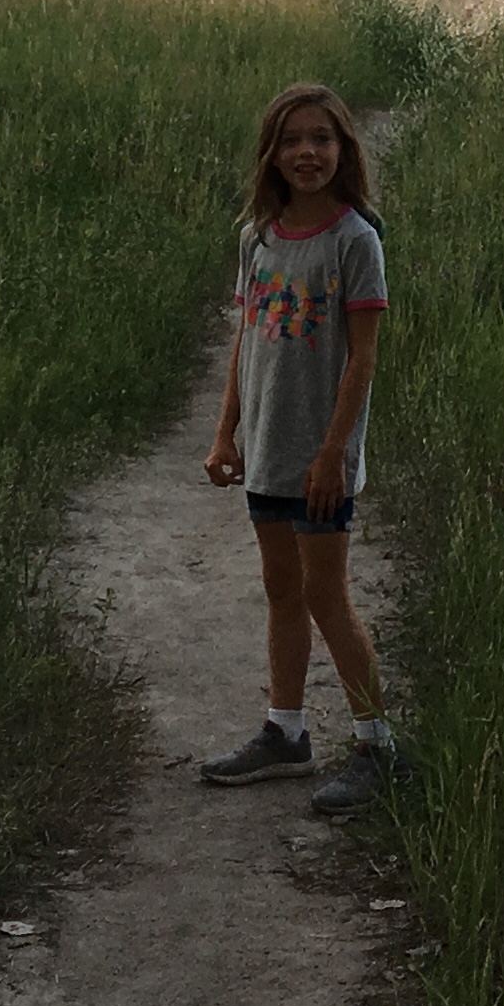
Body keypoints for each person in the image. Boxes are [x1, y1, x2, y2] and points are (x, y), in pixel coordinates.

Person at [199, 81, 399, 812]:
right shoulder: (257, 237)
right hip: (267, 449)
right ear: (271, 154)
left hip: (321, 460)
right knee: (282, 589)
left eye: (321, 138)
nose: (306, 153)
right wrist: (226, 432)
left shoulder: (355, 241)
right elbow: (246, 342)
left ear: (344, 149)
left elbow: (363, 357)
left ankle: (379, 746)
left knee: (325, 594)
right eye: (291, 140)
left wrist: (332, 453)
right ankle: (286, 732)